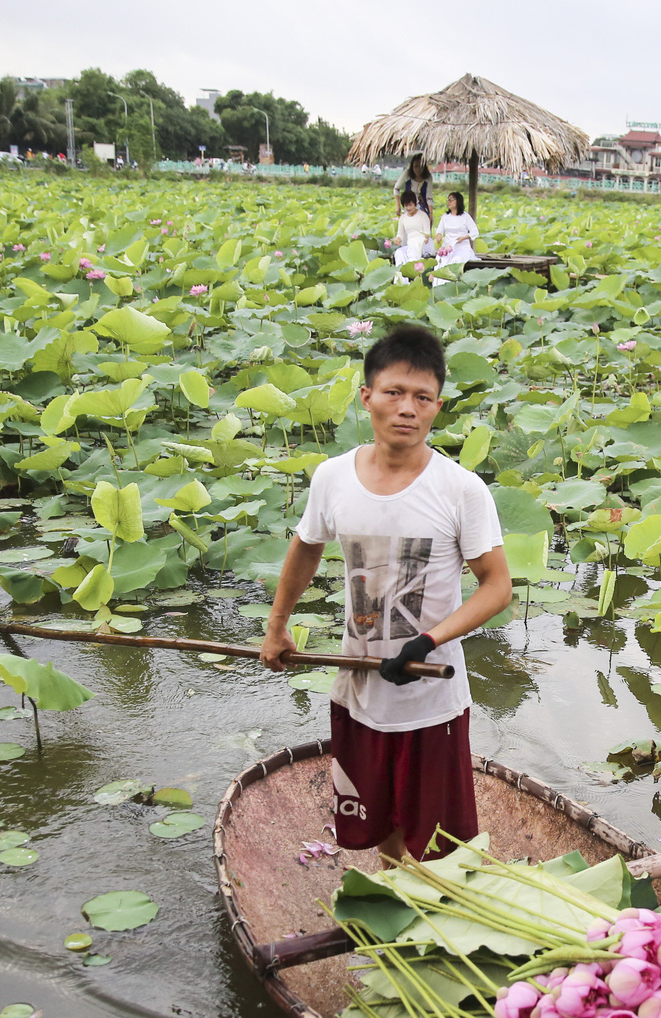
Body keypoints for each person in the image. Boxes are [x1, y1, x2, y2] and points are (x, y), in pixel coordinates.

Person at [259, 327, 512, 863]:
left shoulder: (461, 489)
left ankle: (430, 907)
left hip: (430, 695)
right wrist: (278, 626)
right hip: (359, 684)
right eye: (394, 392)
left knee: (439, 842)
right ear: (366, 396)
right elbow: (305, 549)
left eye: (422, 398)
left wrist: (427, 641)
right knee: (380, 827)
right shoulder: (332, 478)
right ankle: (396, 892)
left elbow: (497, 586)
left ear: (437, 407)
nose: (407, 409)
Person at [432, 191, 480, 284]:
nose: (448, 202)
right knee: (440, 260)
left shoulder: (465, 216)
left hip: (462, 247)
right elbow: (439, 231)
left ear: (458, 201)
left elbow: (475, 232)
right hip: (448, 247)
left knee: (456, 260)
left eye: (451, 200)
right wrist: (439, 236)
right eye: (448, 200)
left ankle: (453, 284)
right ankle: (438, 285)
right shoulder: (445, 217)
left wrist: (464, 237)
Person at [393, 190, 431, 280]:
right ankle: (401, 281)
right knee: (399, 253)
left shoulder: (423, 215)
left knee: (413, 248)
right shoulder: (403, 217)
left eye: (410, 205)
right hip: (410, 244)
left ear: (415, 203)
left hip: (422, 243)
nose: (408, 208)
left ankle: (414, 276)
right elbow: (400, 235)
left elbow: (427, 233)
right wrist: (397, 239)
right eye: (406, 206)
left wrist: (425, 238)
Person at [396, 154, 435, 223]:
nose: (418, 169)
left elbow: (429, 196)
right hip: (409, 203)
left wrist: (431, 213)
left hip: (423, 204)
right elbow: (396, 188)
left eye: (421, 166)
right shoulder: (407, 174)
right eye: (416, 166)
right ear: (412, 167)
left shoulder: (428, 177)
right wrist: (398, 205)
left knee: (425, 223)